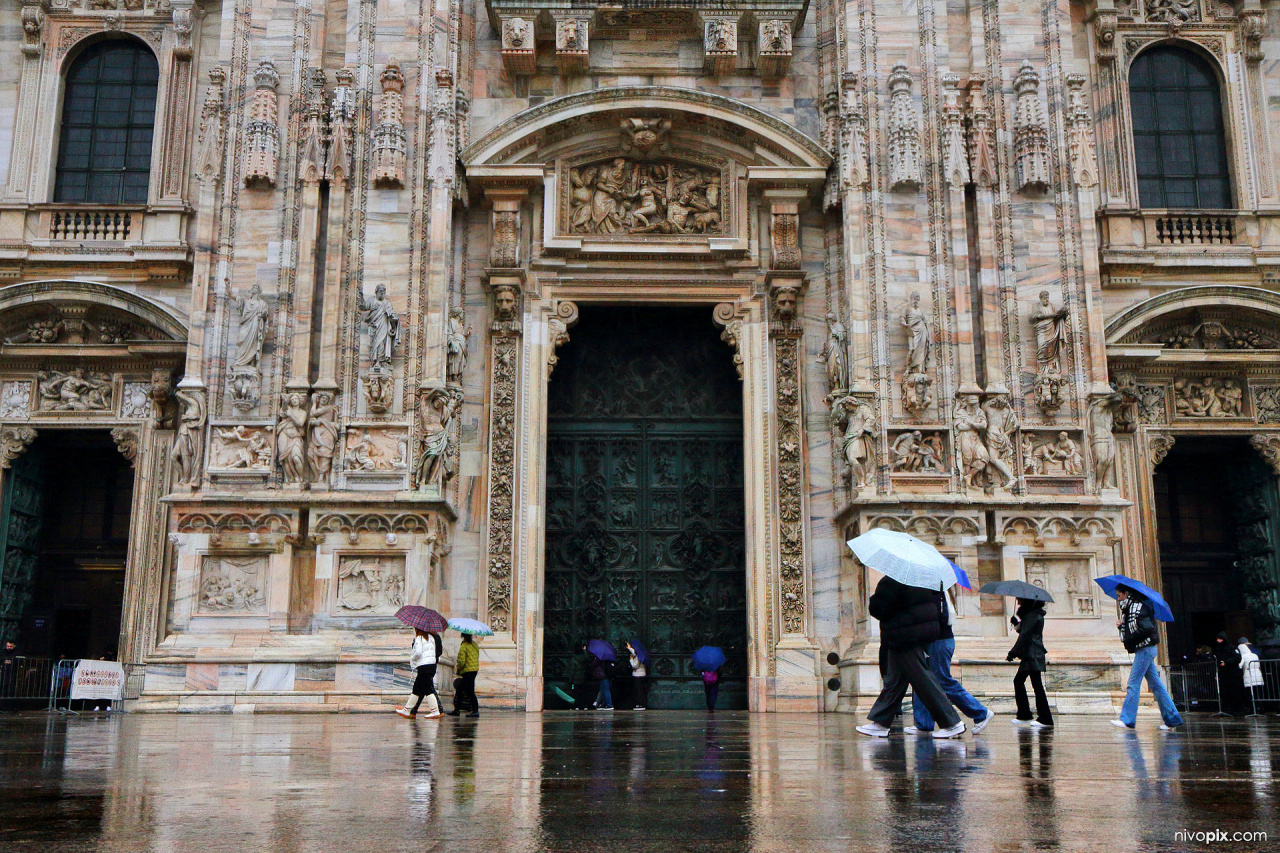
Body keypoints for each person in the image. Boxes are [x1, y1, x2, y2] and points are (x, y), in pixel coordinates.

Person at [857, 576, 965, 739]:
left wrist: (875, 597)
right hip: (910, 634)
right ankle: (880, 723)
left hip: (904, 635)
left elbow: (878, 608)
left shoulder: (894, 580)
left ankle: (951, 722)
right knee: (894, 681)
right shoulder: (920, 579)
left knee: (922, 678)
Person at [906, 591, 993, 735]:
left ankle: (980, 713)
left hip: (938, 641)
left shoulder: (935, 594)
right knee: (922, 679)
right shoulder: (935, 594)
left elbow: (937, 619)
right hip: (935, 641)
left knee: (942, 680)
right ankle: (923, 723)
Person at [1111, 585, 1182, 730]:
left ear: (1127, 594)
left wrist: (1131, 638)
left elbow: (1146, 628)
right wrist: (1122, 627)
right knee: (1156, 685)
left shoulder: (1138, 608)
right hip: (1145, 649)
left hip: (1145, 649)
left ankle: (1127, 719)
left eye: (1119, 595)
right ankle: (1172, 719)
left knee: (1133, 683)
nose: (1118, 599)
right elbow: (1135, 628)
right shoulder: (1131, 609)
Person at [1008, 598, 1053, 728]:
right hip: (1031, 653)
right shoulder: (1032, 615)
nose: (1019, 602)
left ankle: (1044, 718)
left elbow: (1025, 636)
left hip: (1032, 654)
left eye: (1021, 600)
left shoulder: (1032, 615)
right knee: (1021, 681)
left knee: (1035, 685)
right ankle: (1025, 714)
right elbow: (1025, 631)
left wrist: (1013, 652)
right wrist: (1017, 624)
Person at [396, 629, 443, 719]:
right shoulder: (432, 638)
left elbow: (418, 653)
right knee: (417, 688)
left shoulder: (419, 638)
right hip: (431, 666)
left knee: (428, 689)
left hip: (423, 666)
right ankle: (407, 710)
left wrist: (413, 658)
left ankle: (435, 711)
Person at [1213, 631, 1246, 716]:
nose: (1218, 640)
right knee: (1226, 692)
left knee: (1236, 692)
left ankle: (1238, 709)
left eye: (1220, 639)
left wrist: (1227, 662)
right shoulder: (1219, 649)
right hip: (1224, 674)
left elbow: (1238, 658)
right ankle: (1229, 709)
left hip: (1233, 674)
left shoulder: (1232, 648)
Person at [448, 633, 480, 718]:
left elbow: (461, 661)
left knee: (468, 691)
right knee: (461, 689)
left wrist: (458, 670)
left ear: (463, 636)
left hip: (467, 671)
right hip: (474, 670)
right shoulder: (474, 645)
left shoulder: (464, 646)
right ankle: (457, 709)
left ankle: (474, 710)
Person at [568, 641, 597, 710]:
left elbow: (572, 670)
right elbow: (587, 659)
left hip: (576, 679)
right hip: (583, 677)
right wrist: (584, 650)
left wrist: (570, 680)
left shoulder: (574, 658)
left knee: (576, 693)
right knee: (582, 693)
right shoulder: (584, 657)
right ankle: (583, 705)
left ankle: (576, 705)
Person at [1239, 637, 1263, 712]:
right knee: (1257, 693)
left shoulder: (1243, 656)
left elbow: (1240, 666)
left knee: (1249, 693)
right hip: (1257, 675)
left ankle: (1252, 709)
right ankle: (1260, 708)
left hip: (1248, 676)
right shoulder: (1255, 655)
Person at [627, 641, 648, 710]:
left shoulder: (639, 657)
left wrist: (631, 660)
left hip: (638, 675)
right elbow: (634, 653)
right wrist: (630, 649)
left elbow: (635, 666)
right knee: (641, 690)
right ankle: (641, 704)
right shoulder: (643, 656)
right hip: (642, 674)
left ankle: (640, 704)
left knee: (638, 690)